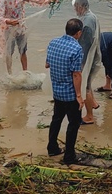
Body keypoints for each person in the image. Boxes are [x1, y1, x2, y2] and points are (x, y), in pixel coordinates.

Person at [0, 0, 57, 75]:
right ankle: (9, 73)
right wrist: (9, 21)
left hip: (21, 28)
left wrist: (49, 0)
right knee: (9, 53)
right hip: (8, 30)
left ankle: (25, 72)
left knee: (23, 51)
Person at [45, 18, 85, 164]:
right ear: (79, 33)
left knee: (56, 119)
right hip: (70, 94)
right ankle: (69, 156)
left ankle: (52, 148)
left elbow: (47, 64)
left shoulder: (53, 42)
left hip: (57, 91)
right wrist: (79, 96)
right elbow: (76, 74)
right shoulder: (76, 49)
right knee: (73, 124)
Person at [72, 0, 101, 124]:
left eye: (76, 7)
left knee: (86, 87)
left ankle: (89, 116)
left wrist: (81, 64)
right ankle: (94, 104)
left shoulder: (87, 22)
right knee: (87, 83)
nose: (75, 10)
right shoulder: (90, 16)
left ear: (80, 6)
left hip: (88, 59)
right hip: (93, 55)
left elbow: (85, 45)